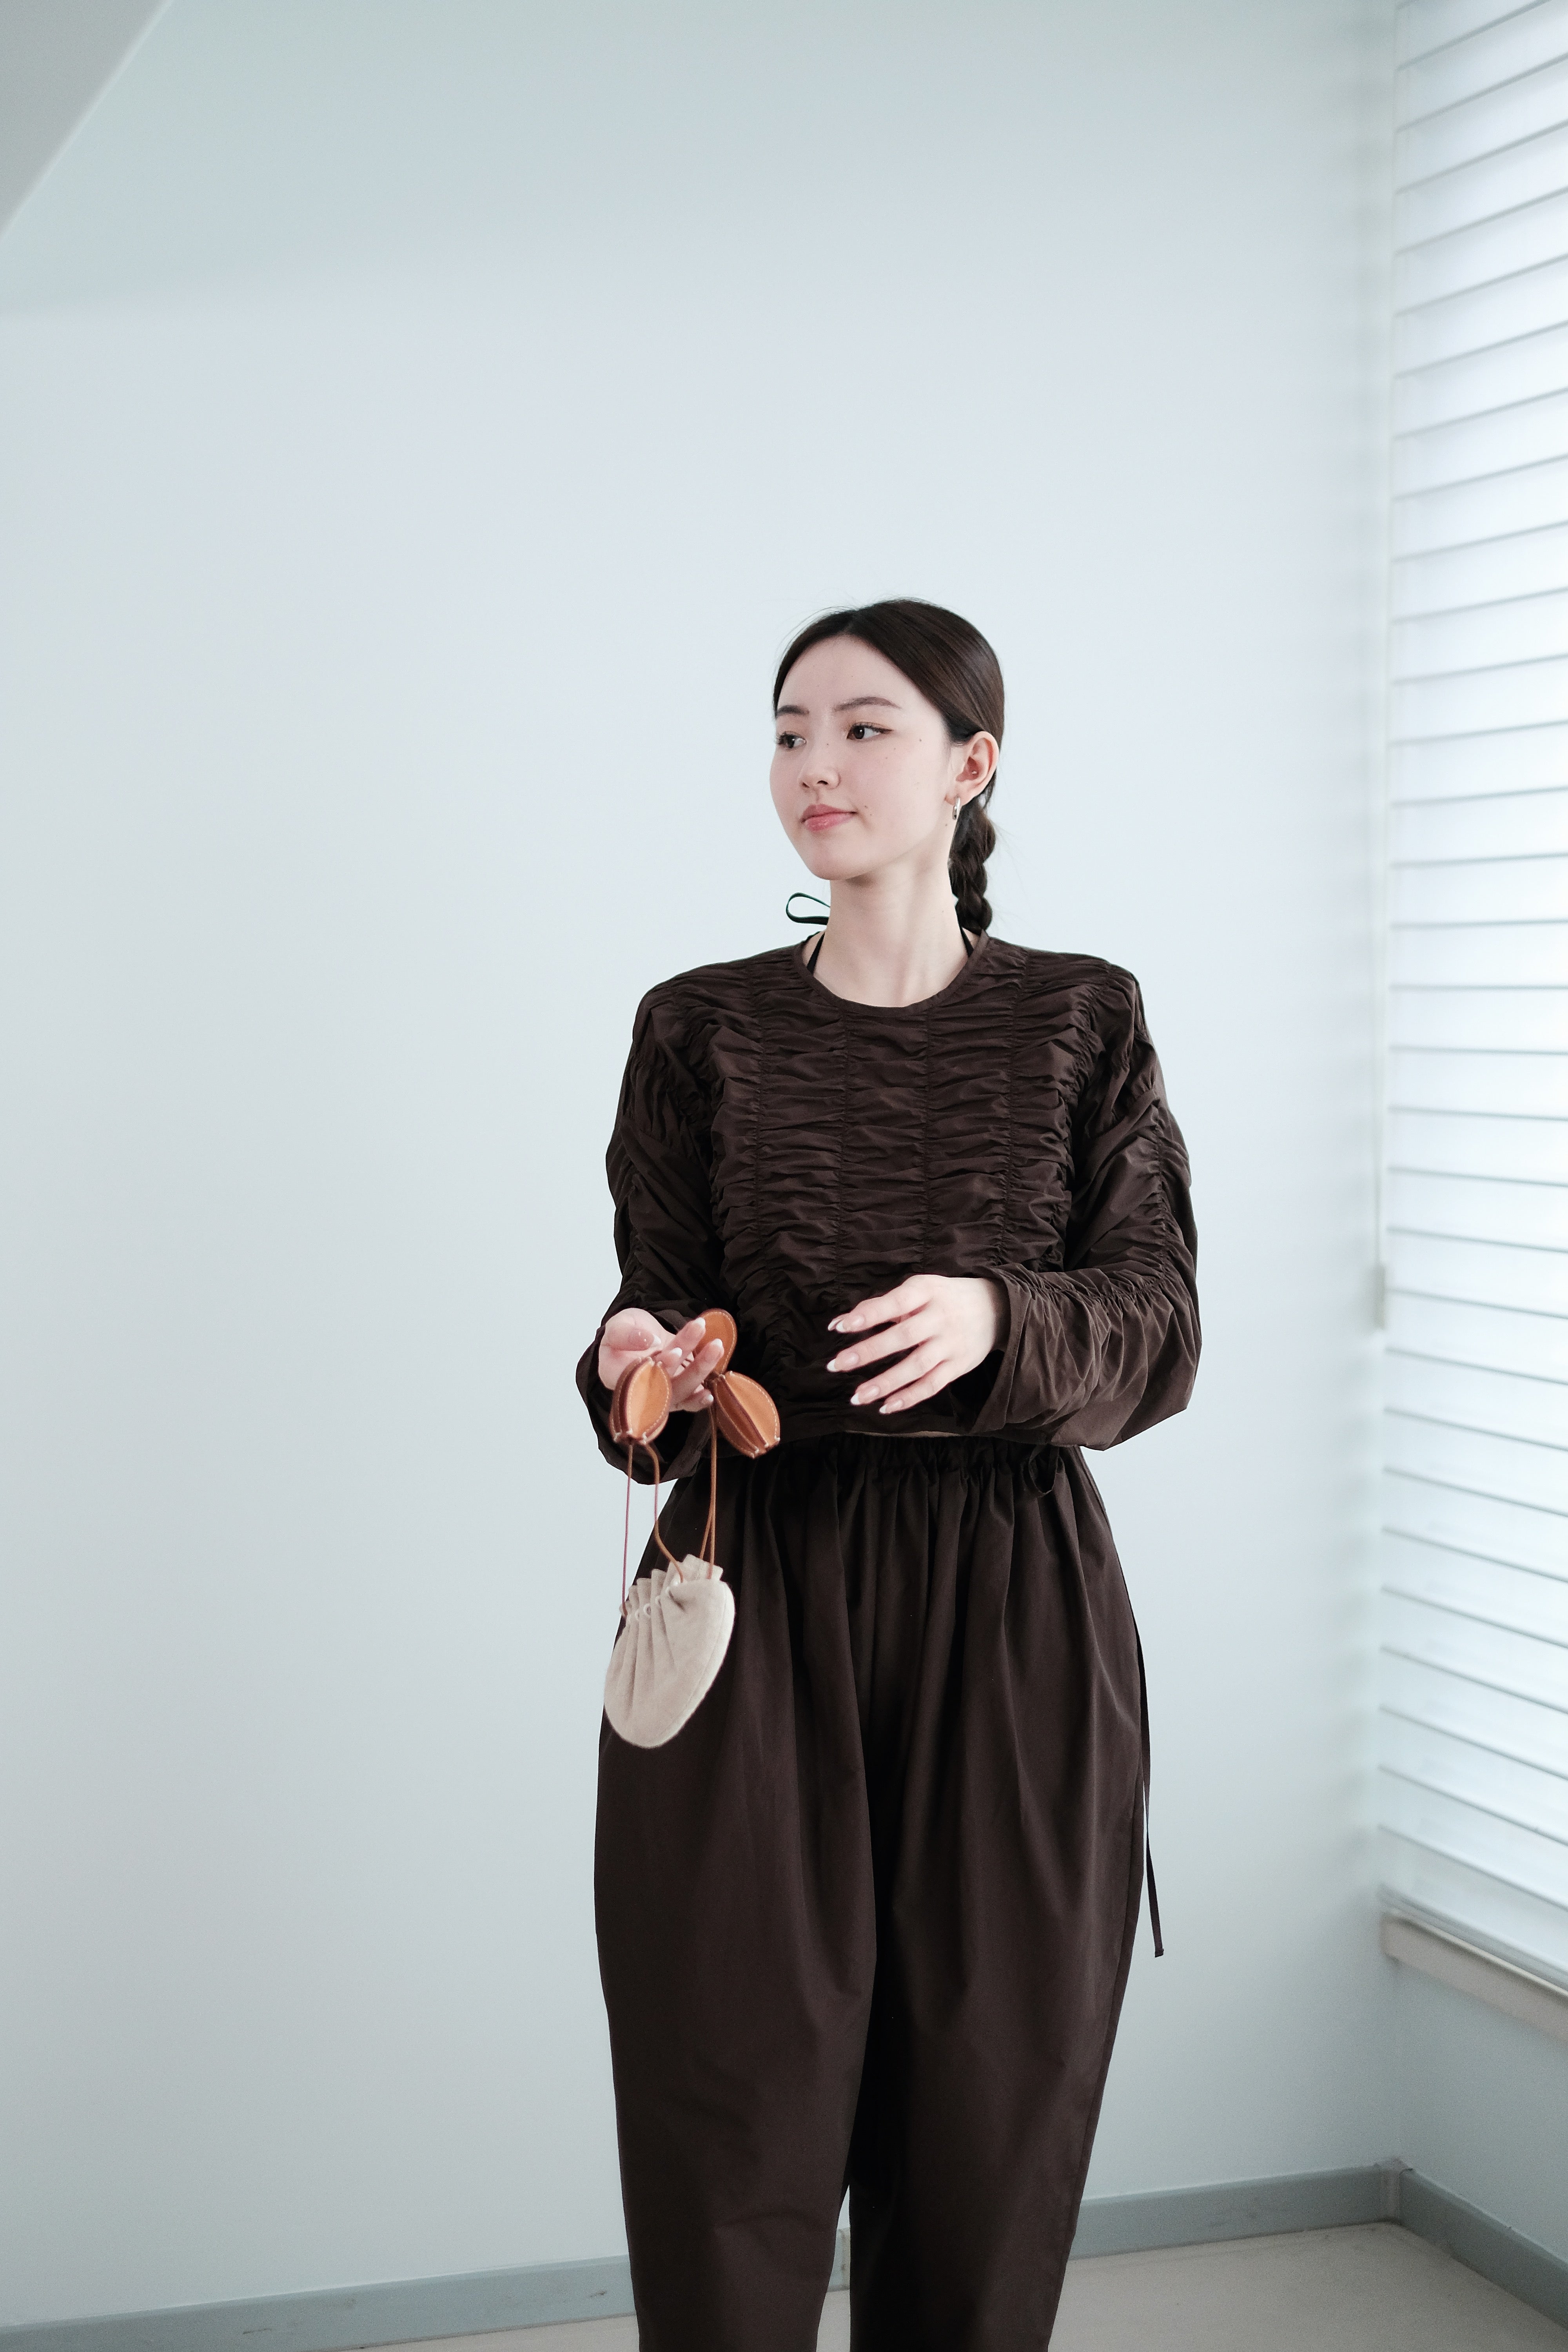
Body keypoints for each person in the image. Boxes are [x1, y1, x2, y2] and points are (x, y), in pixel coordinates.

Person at [574, 599, 1200, 2352]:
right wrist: (636, 1363)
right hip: (749, 1586)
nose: (815, 766)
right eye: (790, 732)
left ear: (970, 764)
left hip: (1014, 1602)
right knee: (728, 2095)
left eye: (863, 729)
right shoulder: (698, 1028)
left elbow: (1160, 1325)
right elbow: (654, 1311)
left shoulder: (1081, 1018)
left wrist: (1003, 1317)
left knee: (990, 2109)